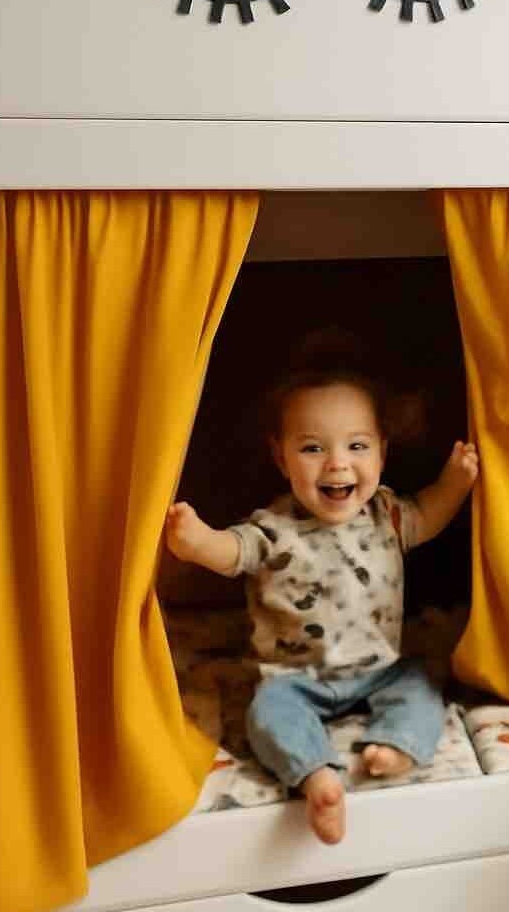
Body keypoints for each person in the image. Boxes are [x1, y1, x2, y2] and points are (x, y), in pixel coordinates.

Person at [164, 344, 478, 845]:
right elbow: (232, 552)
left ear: (382, 452)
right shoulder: (274, 528)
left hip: (380, 668)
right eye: (312, 448)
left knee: (423, 687)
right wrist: (196, 541)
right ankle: (316, 777)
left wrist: (455, 483)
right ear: (281, 457)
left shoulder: (388, 515)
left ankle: (395, 745)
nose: (337, 464)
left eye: (357, 446)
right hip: (293, 678)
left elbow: (429, 514)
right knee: (265, 716)